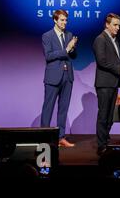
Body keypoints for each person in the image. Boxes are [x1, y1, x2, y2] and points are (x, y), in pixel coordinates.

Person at [40, 9, 77, 148]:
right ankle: (44, 138)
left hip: (67, 77)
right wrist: (66, 49)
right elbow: (48, 56)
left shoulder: (69, 35)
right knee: (48, 108)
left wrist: (72, 49)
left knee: (63, 108)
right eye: (62, 20)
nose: (64, 23)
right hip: (53, 77)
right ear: (55, 20)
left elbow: (73, 56)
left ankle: (60, 137)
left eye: (66, 20)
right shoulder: (47, 36)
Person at [93, 13, 120, 156]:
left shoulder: (114, 40)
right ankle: (101, 145)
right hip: (104, 83)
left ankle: (105, 139)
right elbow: (102, 61)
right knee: (103, 114)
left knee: (109, 115)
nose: (118, 27)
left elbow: (118, 60)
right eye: (115, 24)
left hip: (113, 83)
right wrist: (119, 70)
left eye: (119, 25)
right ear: (107, 24)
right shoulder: (100, 39)